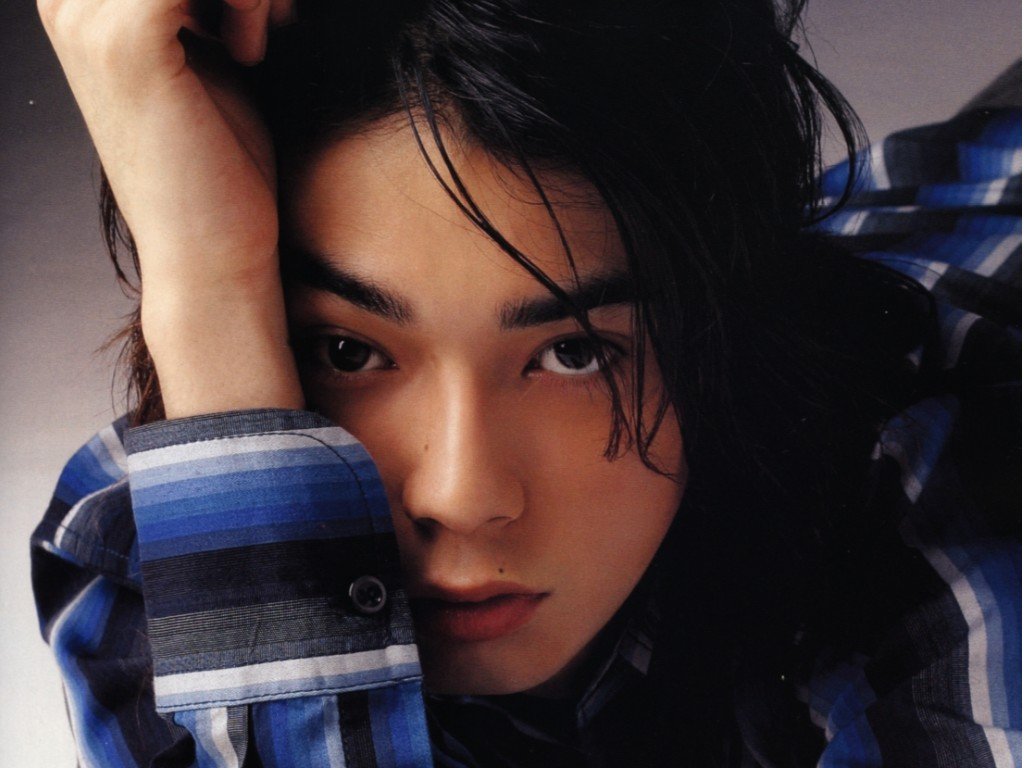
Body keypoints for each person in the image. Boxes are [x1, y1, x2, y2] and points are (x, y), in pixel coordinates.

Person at [30, 0, 1021, 765]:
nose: (462, 495)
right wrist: (205, 284)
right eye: (346, 351)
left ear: (723, 341)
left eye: (575, 352)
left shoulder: (930, 487)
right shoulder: (150, 548)